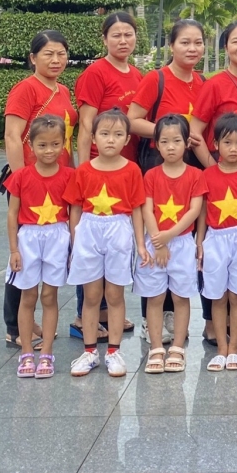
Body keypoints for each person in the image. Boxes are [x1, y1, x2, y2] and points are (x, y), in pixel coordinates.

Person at [0, 30, 77, 349]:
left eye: (61, 54)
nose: (56, 60)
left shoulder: (62, 90)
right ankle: (14, 325)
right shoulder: (25, 89)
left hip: (58, 181)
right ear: (33, 58)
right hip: (31, 183)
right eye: (48, 54)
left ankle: (30, 321)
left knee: (47, 251)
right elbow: (11, 136)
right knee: (23, 252)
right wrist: (23, 179)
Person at [64, 110, 147, 377]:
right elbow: (75, 208)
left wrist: (140, 243)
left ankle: (113, 351)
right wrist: (75, 241)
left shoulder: (132, 170)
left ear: (127, 139)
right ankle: (89, 351)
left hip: (119, 230)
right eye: (105, 134)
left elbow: (137, 209)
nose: (111, 139)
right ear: (94, 138)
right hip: (89, 230)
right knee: (91, 295)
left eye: (118, 134)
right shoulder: (83, 170)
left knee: (114, 294)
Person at [194, 19, 237, 347]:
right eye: (236, 41)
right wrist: (214, 168)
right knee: (215, 263)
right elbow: (195, 131)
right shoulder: (216, 84)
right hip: (220, 179)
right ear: (225, 47)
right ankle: (217, 326)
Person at [134, 115, 205, 374]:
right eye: (164, 141)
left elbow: (194, 210)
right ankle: (155, 347)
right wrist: (159, 241)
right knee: (154, 296)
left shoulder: (196, 175)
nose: (171, 146)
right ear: (156, 144)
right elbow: (147, 209)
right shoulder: (151, 175)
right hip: (155, 243)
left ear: (187, 143)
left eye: (176, 141)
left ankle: (177, 347)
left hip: (182, 242)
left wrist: (169, 236)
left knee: (180, 297)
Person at [5, 115, 75, 380]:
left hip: (57, 237)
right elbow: (12, 214)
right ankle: (26, 352)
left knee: (49, 296)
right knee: (28, 296)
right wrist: (14, 249)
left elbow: (74, 213)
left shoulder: (69, 176)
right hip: (29, 239)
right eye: (42, 145)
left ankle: (46, 352)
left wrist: (73, 248)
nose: (49, 151)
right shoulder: (21, 176)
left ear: (64, 144)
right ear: (31, 146)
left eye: (55, 144)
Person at [198, 112, 237, 371]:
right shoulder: (207, 175)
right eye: (227, 142)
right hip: (215, 238)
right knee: (218, 295)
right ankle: (221, 348)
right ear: (215, 144)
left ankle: (234, 347)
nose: (233, 148)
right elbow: (202, 212)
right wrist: (200, 243)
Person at [129, 19, 210, 166]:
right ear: (172, 46)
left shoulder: (204, 82)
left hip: (195, 162)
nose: (192, 49)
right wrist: (173, 132)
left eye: (198, 43)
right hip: (161, 161)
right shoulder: (156, 79)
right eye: (185, 43)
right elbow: (132, 121)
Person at [76, 11, 145, 164]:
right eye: (116, 36)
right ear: (105, 40)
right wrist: (84, 169)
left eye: (128, 35)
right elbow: (86, 124)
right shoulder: (95, 73)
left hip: (131, 163)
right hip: (100, 162)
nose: (123, 41)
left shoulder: (137, 75)